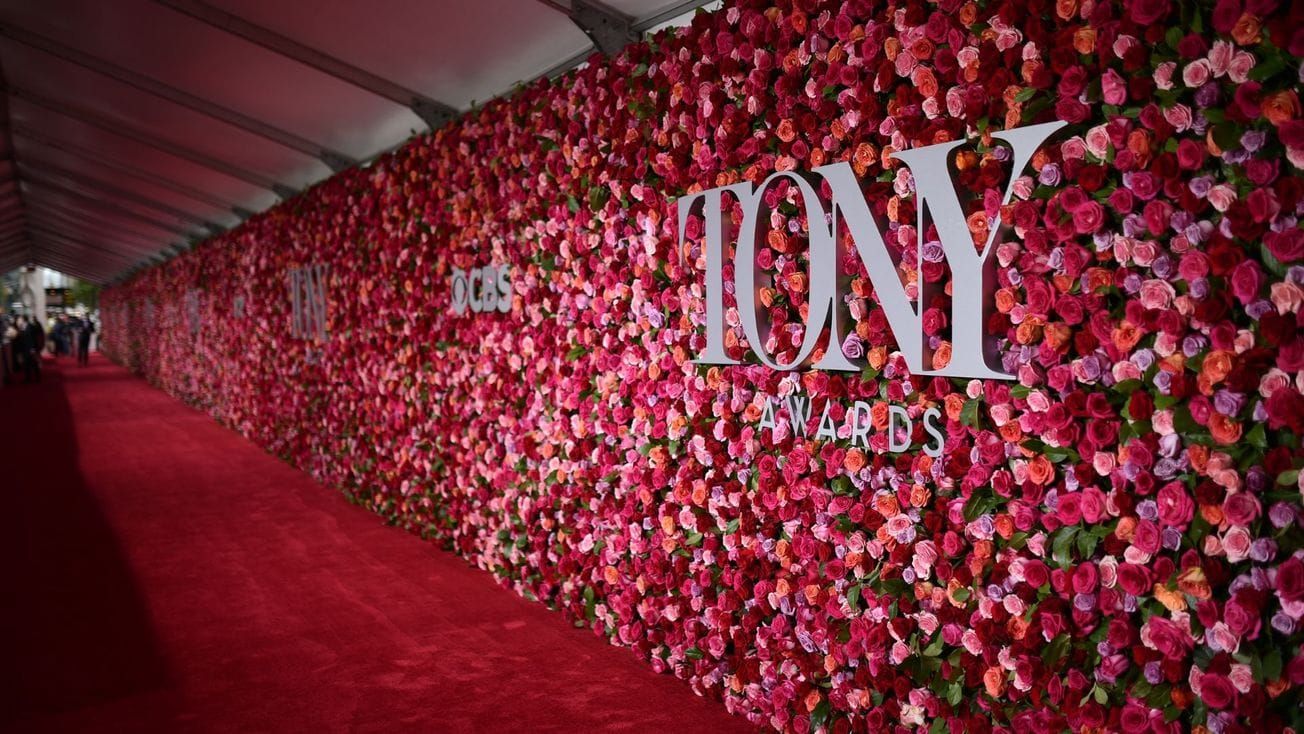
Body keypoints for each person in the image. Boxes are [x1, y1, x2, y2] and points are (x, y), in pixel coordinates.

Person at [22, 315, 44, 383]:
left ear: (23, 319)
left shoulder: (30, 326)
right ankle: (28, 378)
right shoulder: (26, 326)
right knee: (28, 364)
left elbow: (32, 338)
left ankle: (36, 378)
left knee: (33, 363)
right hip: (27, 348)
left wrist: (33, 348)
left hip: (31, 348)